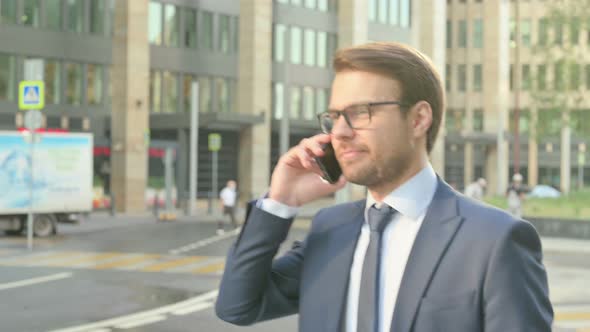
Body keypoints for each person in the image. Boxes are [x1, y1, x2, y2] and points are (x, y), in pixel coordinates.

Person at [216, 42, 552, 331]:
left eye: (360, 113)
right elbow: (237, 306)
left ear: (419, 119)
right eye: (334, 116)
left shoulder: (494, 241)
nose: (341, 133)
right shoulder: (331, 230)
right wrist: (281, 201)